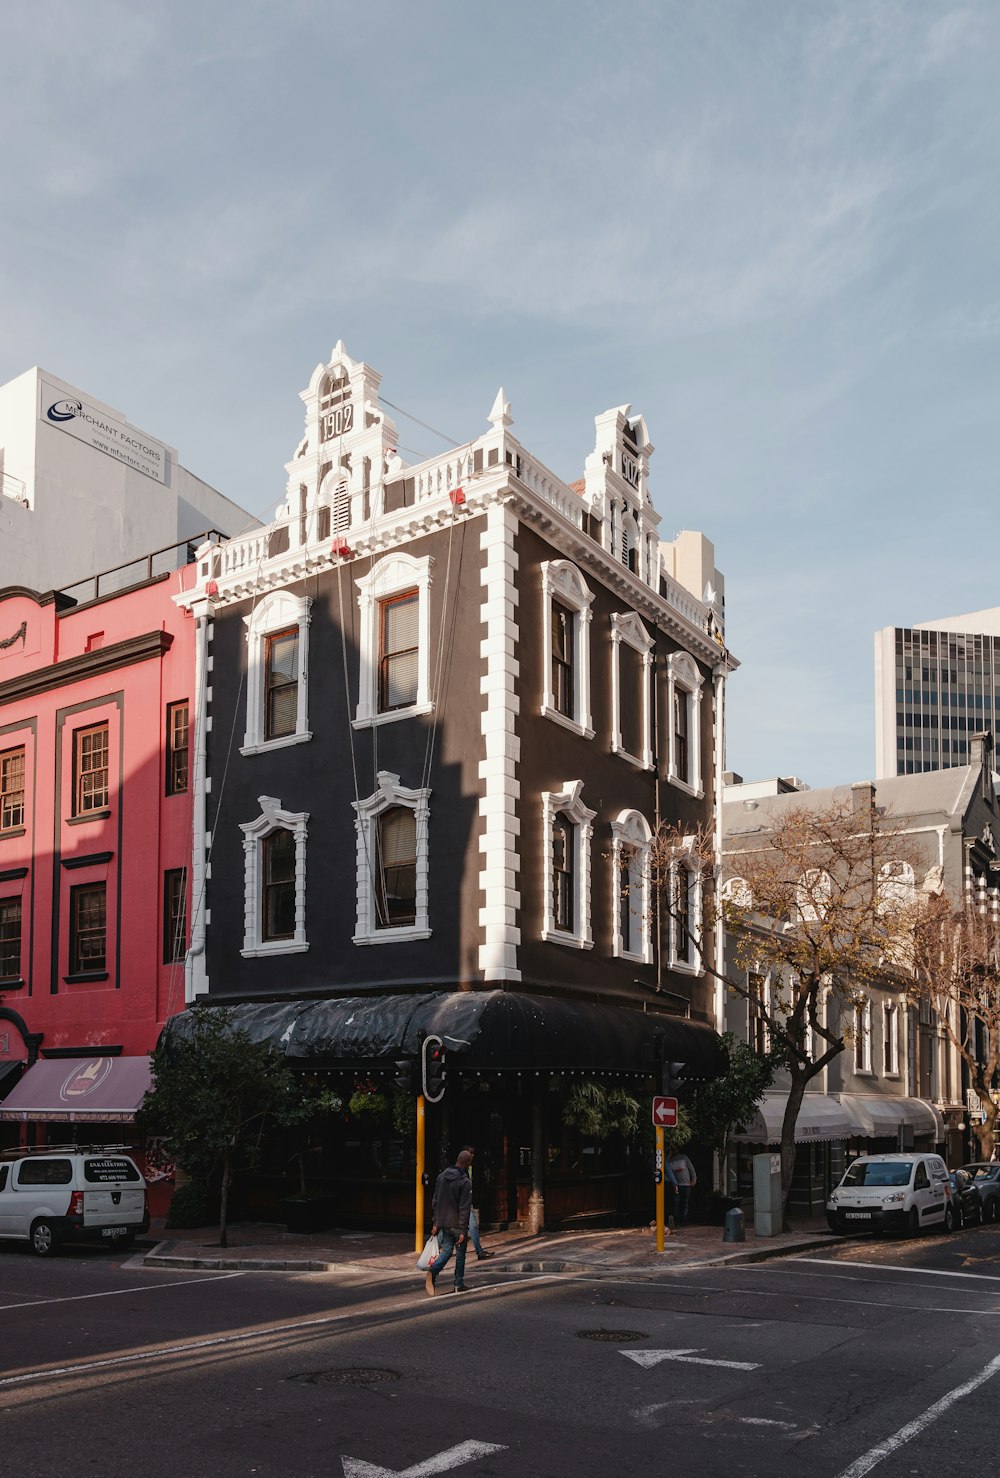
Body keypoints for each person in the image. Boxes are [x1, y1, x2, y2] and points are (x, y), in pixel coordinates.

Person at [425, 1149, 473, 1295]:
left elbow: (435, 1201)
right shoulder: (465, 1182)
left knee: (446, 1250)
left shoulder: (441, 1176)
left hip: (444, 1221)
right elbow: (464, 1208)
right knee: (460, 1253)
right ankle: (458, 1283)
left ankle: (433, 1272)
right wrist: (464, 1230)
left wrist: (436, 1222)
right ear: (466, 1163)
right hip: (457, 1223)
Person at [460, 1144, 495, 1261]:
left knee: (473, 1226)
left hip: (465, 1204)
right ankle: (433, 1249)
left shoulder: (468, 1169)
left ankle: (479, 1251)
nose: (473, 1156)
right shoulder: (459, 1171)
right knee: (445, 1230)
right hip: (459, 1205)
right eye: (471, 1153)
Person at [668, 1148, 697, 1227]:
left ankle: (684, 1220)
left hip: (686, 1184)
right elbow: (666, 1165)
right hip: (676, 1185)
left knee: (685, 1203)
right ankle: (677, 1221)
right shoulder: (670, 1160)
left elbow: (691, 1169)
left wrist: (694, 1179)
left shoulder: (684, 1157)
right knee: (676, 1204)